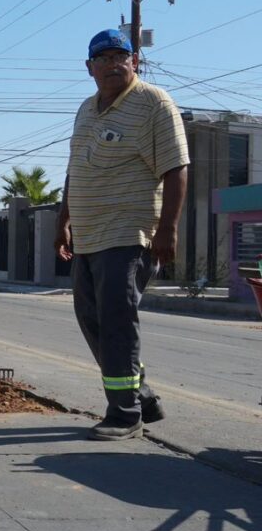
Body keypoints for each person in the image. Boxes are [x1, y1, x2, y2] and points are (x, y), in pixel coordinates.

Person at [55, 29, 189, 440]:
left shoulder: (154, 102)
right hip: (90, 234)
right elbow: (75, 167)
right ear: (89, 67)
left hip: (129, 232)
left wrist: (167, 229)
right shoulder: (86, 109)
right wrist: (64, 219)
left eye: (121, 56)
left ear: (135, 61)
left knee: (116, 321)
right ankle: (141, 395)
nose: (114, 64)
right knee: (91, 319)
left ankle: (125, 415)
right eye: (104, 58)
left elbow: (176, 167)